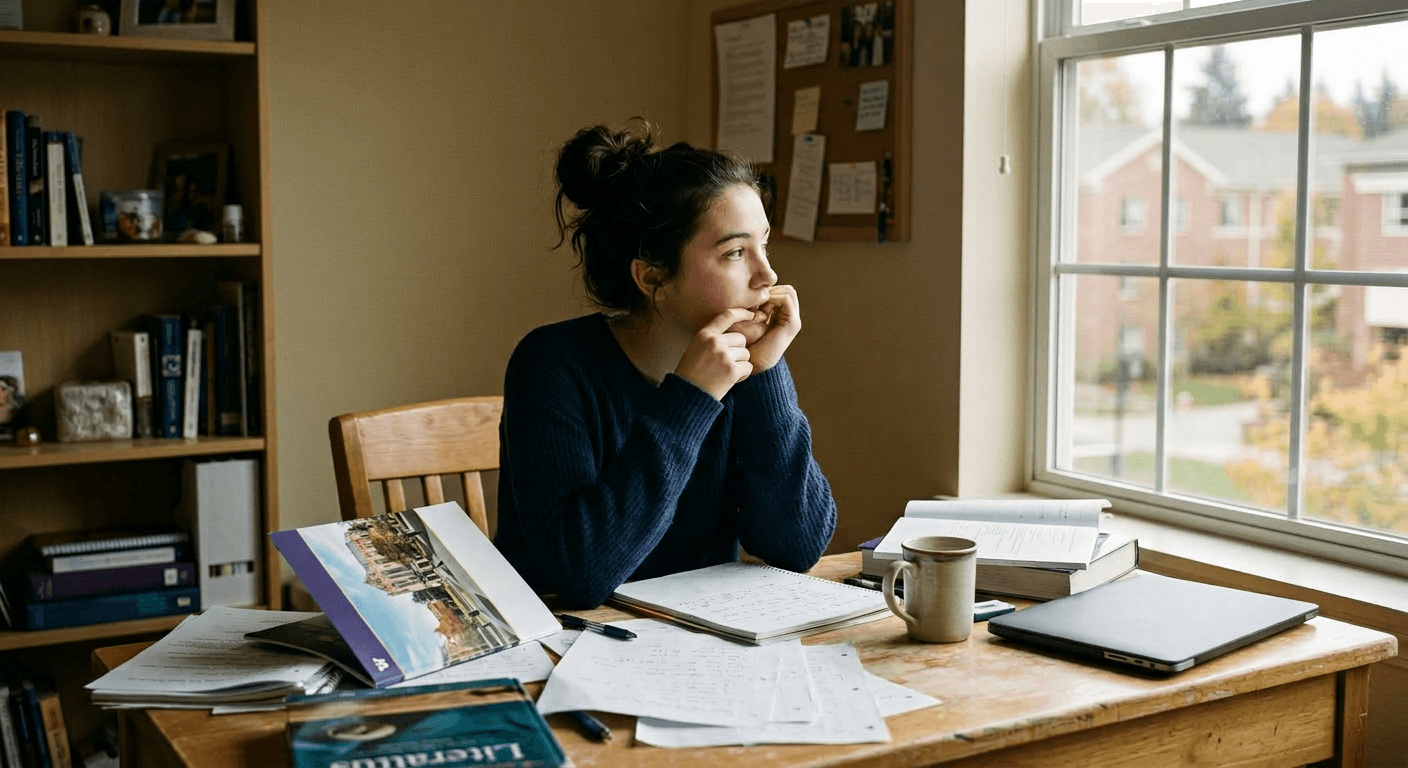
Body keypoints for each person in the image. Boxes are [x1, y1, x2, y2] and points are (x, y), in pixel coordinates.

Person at [494, 120, 837, 609]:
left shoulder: (740, 365)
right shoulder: (551, 364)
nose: (768, 274)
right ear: (652, 276)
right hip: (566, 650)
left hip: (701, 645)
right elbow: (579, 577)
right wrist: (691, 400)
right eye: (736, 252)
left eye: (765, 244)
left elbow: (797, 547)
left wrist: (765, 374)